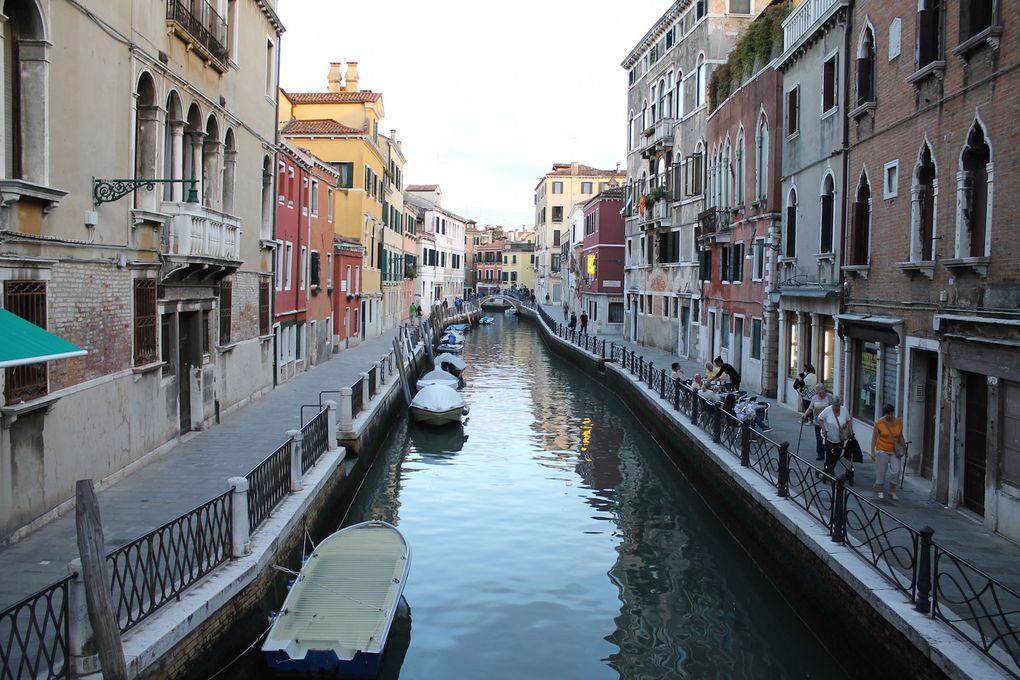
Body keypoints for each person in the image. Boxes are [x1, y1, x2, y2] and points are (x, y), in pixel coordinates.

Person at [870, 404, 905, 500]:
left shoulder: (898, 422)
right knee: (881, 471)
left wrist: (904, 446)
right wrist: (872, 451)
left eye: (891, 414)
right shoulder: (879, 423)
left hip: (894, 450)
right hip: (882, 449)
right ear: (884, 414)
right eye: (887, 414)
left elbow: (900, 436)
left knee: (896, 470)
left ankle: (891, 491)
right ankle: (880, 491)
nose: (889, 416)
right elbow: (874, 438)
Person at [816, 396, 852, 476]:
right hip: (829, 438)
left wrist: (851, 432)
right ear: (832, 404)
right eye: (835, 405)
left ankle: (828, 471)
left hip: (840, 438)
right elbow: (819, 419)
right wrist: (824, 429)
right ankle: (830, 473)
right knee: (829, 457)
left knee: (837, 456)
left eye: (838, 405)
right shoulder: (827, 410)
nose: (837, 407)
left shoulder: (844, 410)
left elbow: (848, 421)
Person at [800, 383, 834, 461]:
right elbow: (810, 408)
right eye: (819, 392)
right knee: (819, 439)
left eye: (822, 392)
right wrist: (805, 415)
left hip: (828, 423)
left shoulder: (829, 397)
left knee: (829, 439)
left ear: (824, 391)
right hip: (818, 422)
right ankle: (820, 454)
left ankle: (830, 453)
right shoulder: (814, 398)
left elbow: (833, 408)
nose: (821, 394)